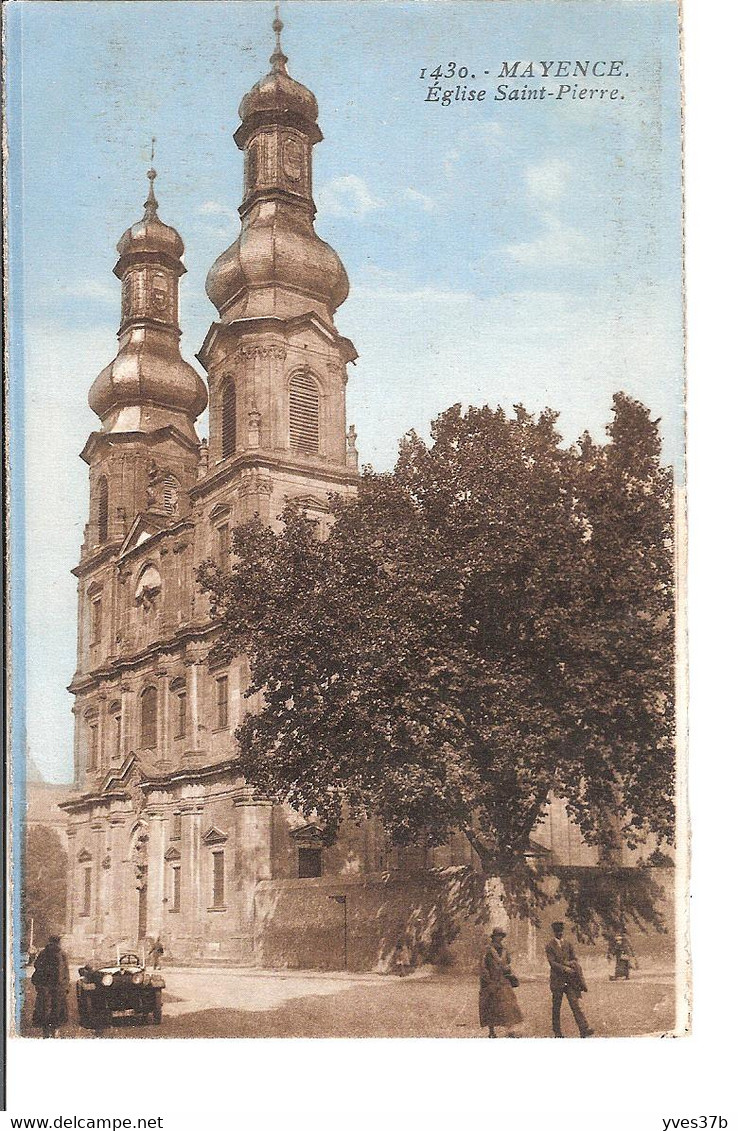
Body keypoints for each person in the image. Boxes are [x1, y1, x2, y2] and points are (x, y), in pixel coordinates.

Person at [545, 921, 594, 1038]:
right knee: (556, 1007)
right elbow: (552, 963)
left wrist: (572, 964)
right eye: (557, 932)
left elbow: (575, 958)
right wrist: (565, 968)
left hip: (570, 980)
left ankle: (584, 1029)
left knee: (575, 1004)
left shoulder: (568, 944)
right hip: (557, 980)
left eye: (561, 931)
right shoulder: (549, 946)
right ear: (554, 932)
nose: (560, 933)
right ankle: (557, 1032)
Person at [479, 928, 523, 1038]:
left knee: (509, 1004)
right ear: (493, 937)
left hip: (504, 981)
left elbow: (508, 962)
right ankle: (491, 1031)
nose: (500, 938)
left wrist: (508, 969)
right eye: (498, 936)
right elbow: (483, 967)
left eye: (501, 936)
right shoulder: (488, 950)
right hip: (492, 981)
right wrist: (488, 980)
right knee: (490, 1005)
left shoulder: (505, 950)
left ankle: (510, 1029)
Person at [31, 935, 69, 1038]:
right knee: (56, 1008)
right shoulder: (62, 954)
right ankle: (54, 1030)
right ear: (58, 942)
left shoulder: (44, 953)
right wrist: (66, 986)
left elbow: (37, 966)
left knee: (45, 1007)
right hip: (57, 986)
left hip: (45, 985)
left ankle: (47, 1031)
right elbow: (66, 972)